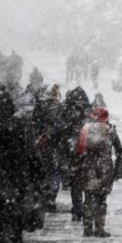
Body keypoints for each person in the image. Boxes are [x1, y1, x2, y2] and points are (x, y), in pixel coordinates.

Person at [0, 84, 46, 242]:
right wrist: (38, 172)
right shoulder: (20, 126)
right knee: (13, 213)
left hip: (11, 175)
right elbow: (32, 152)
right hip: (16, 177)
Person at [77, 107, 122, 237]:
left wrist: (77, 167)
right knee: (101, 200)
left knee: (88, 198)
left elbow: (79, 150)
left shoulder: (85, 129)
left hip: (88, 167)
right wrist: (119, 171)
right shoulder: (110, 131)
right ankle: (99, 228)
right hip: (104, 168)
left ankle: (87, 228)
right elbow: (120, 152)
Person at [59, 86, 91, 222]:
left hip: (73, 151)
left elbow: (61, 130)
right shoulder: (88, 111)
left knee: (76, 183)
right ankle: (86, 207)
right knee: (88, 182)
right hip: (87, 151)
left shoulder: (66, 111)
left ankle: (77, 210)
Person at [32, 84, 63, 212]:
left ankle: (42, 196)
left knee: (42, 171)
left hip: (41, 143)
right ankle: (51, 196)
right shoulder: (60, 108)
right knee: (54, 171)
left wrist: (40, 135)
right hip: (56, 145)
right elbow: (62, 127)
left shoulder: (40, 107)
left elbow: (34, 123)